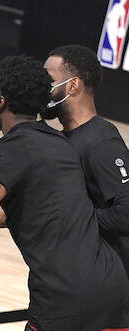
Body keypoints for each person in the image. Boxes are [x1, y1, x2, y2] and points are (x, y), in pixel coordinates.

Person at [0, 55, 129, 331]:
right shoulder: (57, 141)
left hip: (68, 292)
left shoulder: (21, 145)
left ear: (1, 101)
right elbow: (14, 213)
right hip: (100, 283)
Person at [43, 44, 129, 277]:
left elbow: (126, 213)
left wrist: (73, 220)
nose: (41, 88)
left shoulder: (101, 142)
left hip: (111, 284)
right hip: (78, 274)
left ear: (72, 86)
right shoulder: (59, 139)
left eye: (48, 80)